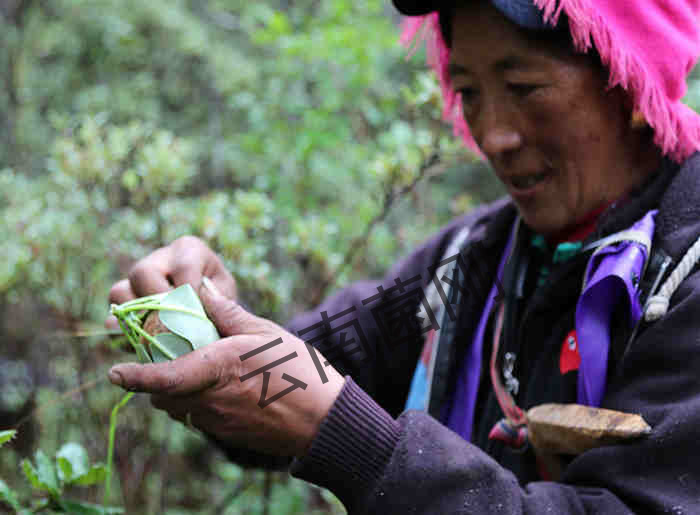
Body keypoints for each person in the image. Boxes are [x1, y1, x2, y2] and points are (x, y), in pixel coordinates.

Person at [106, 0, 700, 512]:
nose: (493, 136)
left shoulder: (684, 279)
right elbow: (317, 367)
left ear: (631, 75)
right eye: (468, 91)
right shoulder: (471, 264)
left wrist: (350, 440)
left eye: (524, 88)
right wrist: (205, 328)